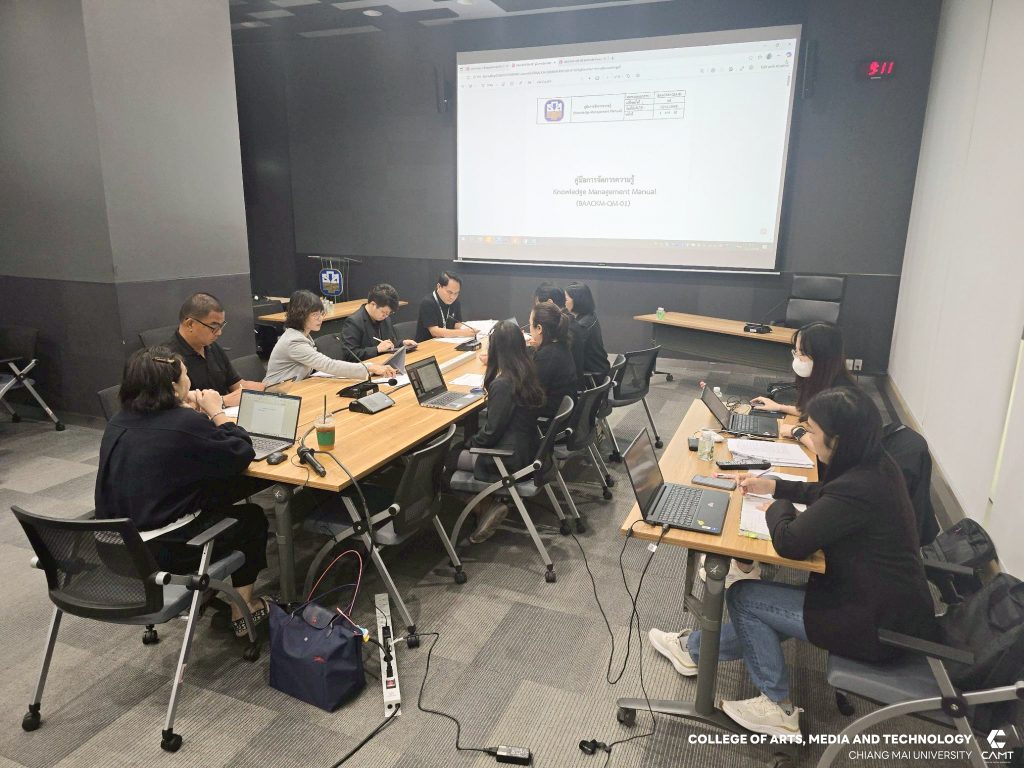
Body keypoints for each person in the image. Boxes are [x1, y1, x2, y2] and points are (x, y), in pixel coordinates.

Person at [648, 387, 937, 737]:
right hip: (885, 605)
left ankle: (777, 707)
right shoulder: (875, 465)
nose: (808, 437)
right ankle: (694, 650)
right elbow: (825, 494)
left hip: (873, 624)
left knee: (745, 597)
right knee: (769, 609)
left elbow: (790, 543)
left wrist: (776, 507)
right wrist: (774, 486)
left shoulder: (859, 486)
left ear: (837, 440)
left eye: (813, 432)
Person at [95, 347, 271, 637]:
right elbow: (241, 452)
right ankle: (244, 610)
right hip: (163, 550)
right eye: (186, 374)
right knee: (251, 518)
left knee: (216, 495)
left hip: (117, 546)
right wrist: (215, 411)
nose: (190, 379)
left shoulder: (118, 421)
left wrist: (188, 415)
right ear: (174, 386)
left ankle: (207, 594)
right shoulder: (183, 423)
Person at [448, 320, 545, 544]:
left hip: (508, 458)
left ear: (495, 349)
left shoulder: (503, 384)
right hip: (530, 449)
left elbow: (490, 433)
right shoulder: (528, 370)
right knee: (463, 444)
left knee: (446, 459)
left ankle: (486, 506)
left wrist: (470, 443)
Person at [750, 321, 857, 443]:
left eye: (803, 353)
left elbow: (829, 449)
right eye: (796, 351)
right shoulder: (822, 380)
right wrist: (779, 407)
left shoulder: (840, 397)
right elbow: (811, 413)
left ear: (822, 357)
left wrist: (796, 432)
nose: (797, 358)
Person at [263, 290, 396, 386]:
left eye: (321, 313)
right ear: (300, 315)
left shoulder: (302, 335)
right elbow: (328, 365)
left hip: (295, 387)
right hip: (277, 393)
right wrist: (370, 367)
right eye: (315, 315)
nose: (320, 318)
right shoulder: (294, 341)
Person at [167, 292, 264, 408]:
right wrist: (223, 401)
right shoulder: (168, 359)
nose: (219, 332)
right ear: (190, 324)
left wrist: (271, 389)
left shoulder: (211, 347)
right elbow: (176, 407)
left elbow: (237, 385)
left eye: (221, 326)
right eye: (214, 327)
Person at [340, 283, 415, 361]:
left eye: (389, 313)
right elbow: (349, 355)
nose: (386, 316)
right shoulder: (354, 322)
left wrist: (402, 343)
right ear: (373, 304)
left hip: (384, 362)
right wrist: (377, 349)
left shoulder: (386, 319)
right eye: (383, 312)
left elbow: (390, 343)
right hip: (366, 365)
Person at [529, 302, 577, 418]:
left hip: (548, 412)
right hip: (560, 409)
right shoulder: (561, 345)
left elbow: (531, 392)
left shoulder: (546, 356)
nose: (529, 329)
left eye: (530, 324)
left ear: (539, 328)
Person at [564, 282, 611, 388]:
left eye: (566, 299)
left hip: (593, 377)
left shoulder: (582, 326)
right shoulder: (590, 316)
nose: (564, 302)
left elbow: (570, 353)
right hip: (600, 367)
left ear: (577, 301)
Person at [415, 271, 478, 342]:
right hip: (427, 344)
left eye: (456, 293)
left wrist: (468, 329)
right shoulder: (428, 302)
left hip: (447, 342)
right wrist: (462, 333)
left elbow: (456, 324)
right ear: (439, 286)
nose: (452, 297)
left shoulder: (455, 301)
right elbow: (434, 331)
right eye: (449, 292)